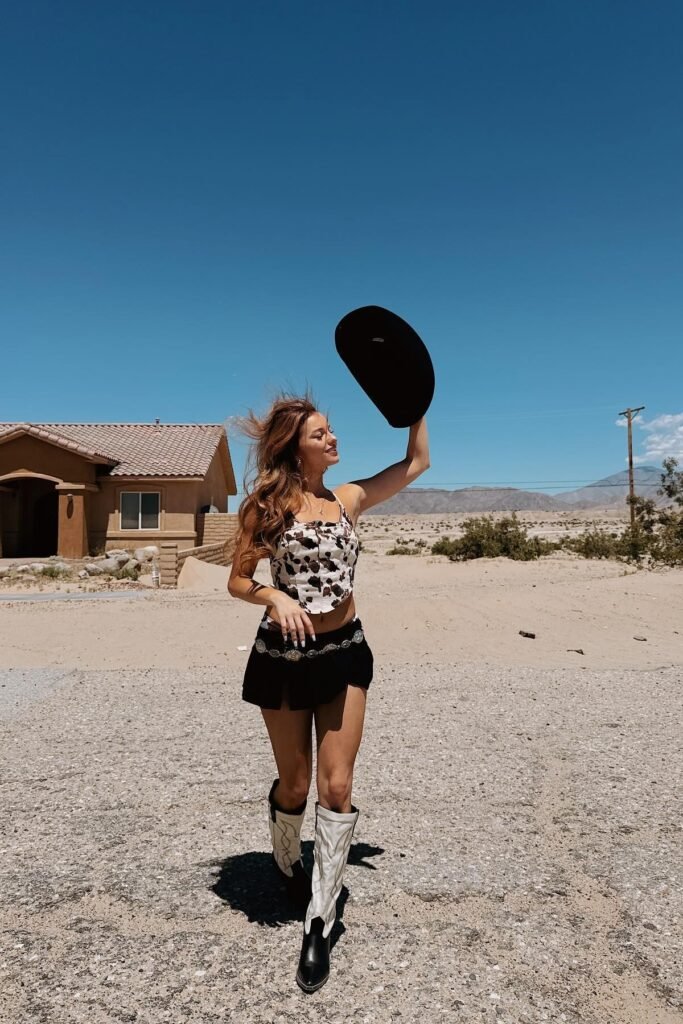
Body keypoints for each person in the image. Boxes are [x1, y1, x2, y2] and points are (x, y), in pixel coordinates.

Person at [228, 390, 430, 993]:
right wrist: (276, 596)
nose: (334, 438)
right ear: (296, 446)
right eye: (322, 434)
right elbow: (239, 580)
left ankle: (320, 915)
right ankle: (287, 857)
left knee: (336, 783)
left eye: (332, 431)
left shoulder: (348, 500)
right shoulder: (265, 506)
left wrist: (417, 402)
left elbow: (415, 464)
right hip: (284, 658)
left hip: (344, 651)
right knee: (295, 782)